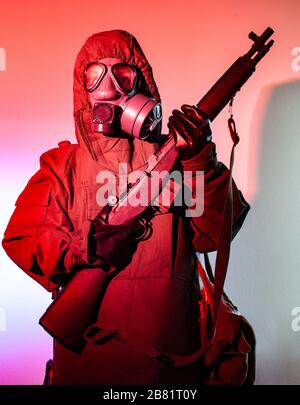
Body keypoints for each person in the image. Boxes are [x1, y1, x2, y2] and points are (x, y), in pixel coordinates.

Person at [2, 30, 250, 384]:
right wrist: (85, 248)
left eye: (123, 73)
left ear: (142, 82)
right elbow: (23, 238)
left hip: (170, 363)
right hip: (87, 363)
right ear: (81, 89)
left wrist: (200, 161)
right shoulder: (62, 166)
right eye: (95, 75)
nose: (110, 86)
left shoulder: (181, 158)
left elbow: (215, 232)